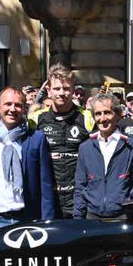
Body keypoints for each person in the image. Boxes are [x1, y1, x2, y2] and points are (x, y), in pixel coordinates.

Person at [0, 87, 56, 236]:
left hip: (28, 220)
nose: (13, 109)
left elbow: (45, 186)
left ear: (24, 108)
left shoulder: (36, 139)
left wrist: (48, 223)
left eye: (18, 105)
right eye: (8, 104)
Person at [74, 94, 133, 220]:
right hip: (92, 217)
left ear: (118, 115)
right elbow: (80, 186)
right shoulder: (85, 147)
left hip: (123, 217)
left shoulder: (132, 145)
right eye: (98, 114)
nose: (102, 119)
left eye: (107, 113)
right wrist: (78, 218)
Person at [34, 66, 94, 218]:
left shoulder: (87, 118)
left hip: (79, 198)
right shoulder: (35, 119)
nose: (62, 93)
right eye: (57, 88)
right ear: (48, 90)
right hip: (47, 199)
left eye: (66, 88)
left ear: (73, 90)